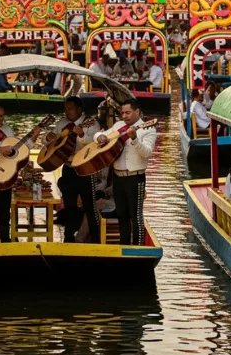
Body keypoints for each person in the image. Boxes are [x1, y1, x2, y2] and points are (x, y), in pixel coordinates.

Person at [0, 105, 41, 244]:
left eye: (1, 116)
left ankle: (5, 242)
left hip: (6, 176)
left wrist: (32, 139)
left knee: (5, 214)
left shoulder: (7, 129)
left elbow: (16, 149)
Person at [95, 99, 157, 245]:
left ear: (137, 112)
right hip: (118, 177)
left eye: (128, 113)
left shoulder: (148, 129)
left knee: (136, 215)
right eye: (122, 113)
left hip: (135, 178)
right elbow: (98, 135)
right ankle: (123, 246)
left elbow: (147, 153)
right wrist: (100, 137)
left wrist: (135, 139)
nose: (124, 116)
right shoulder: (119, 126)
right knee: (121, 214)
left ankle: (138, 249)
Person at [45, 96, 101, 243]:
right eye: (65, 109)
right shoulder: (62, 123)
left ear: (79, 110)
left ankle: (96, 239)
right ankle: (68, 238)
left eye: (69, 109)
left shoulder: (91, 123)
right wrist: (48, 137)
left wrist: (81, 134)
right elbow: (50, 138)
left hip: (85, 168)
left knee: (90, 205)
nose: (66, 112)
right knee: (69, 205)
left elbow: (93, 143)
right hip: (68, 168)